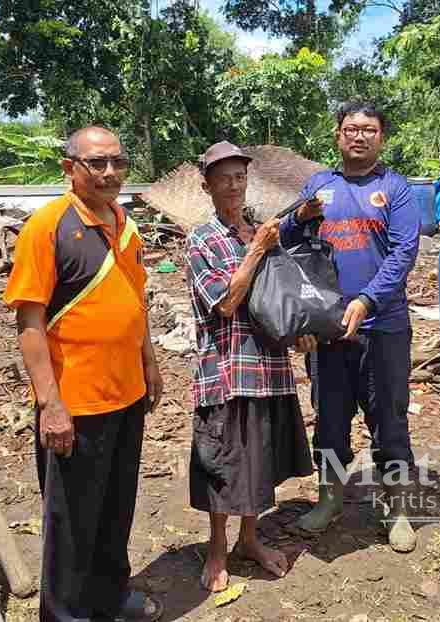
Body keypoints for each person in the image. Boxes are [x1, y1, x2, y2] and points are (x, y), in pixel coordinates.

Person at [4, 126, 163, 622]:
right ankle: (66, 614)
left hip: (126, 394)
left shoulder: (126, 225)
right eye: (97, 163)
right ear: (69, 168)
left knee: (116, 508)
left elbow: (135, 303)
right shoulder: (48, 227)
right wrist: (49, 403)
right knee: (71, 521)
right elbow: (29, 322)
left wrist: (150, 362)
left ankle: (110, 598)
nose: (110, 173)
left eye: (117, 162)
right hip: (75, 405)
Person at [281, 100, 421, 553]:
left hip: (384, 327)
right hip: (327, 331)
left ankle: (397, 508)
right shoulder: (319, 186)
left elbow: (403, 253)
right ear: (338, 135)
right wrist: (298, 217)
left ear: (381, 137)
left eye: (369, 130)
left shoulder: (396, 190)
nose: (359, 136)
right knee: (330, 420)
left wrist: (366, 299)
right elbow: (286, 243)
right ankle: (328, 501)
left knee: (390, 420)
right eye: (350, 129)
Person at [185, 141, 314, 592]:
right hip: (227, 370)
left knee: (258, 463)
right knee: (222, 465)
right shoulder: (202, 239)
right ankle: (217, 549)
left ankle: (249, 540)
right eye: (223, 178)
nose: (234, 185)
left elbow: (279, 297)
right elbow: (225, 302)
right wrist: (257, 250)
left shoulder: (261, 231)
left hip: (270, 368)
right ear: (207, 186)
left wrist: (299, 329)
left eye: (240, 176)